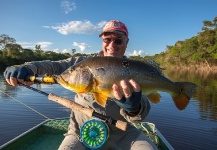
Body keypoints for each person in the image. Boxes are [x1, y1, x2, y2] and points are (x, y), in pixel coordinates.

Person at [4, 20, 158, 150]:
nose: (112, 44)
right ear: (102, 41)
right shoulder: (82, 64)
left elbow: (143, 111)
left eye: (118, 40)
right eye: (107, 39)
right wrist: (28, 67)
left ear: (126, 43)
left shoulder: (135, 69)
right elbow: (54, 66)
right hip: (80, 131)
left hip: (123, 133)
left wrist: (134, 108)